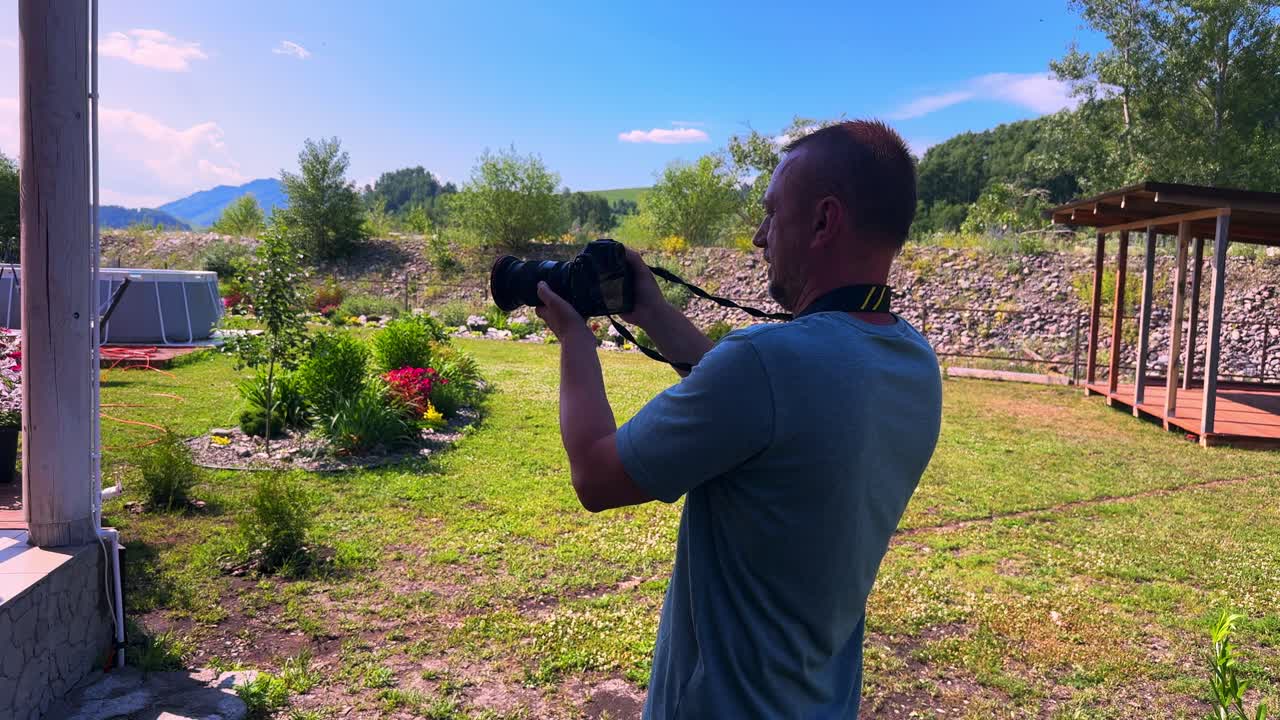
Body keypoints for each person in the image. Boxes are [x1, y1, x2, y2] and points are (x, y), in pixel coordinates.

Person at [534, 120, 942, 719]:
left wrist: (574, 336)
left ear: (824, 221)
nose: (758, 236)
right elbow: (766, 404)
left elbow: (595, 475)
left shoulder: (769, 365)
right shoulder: (913, 363)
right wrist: (652, 311)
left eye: (772, 213)